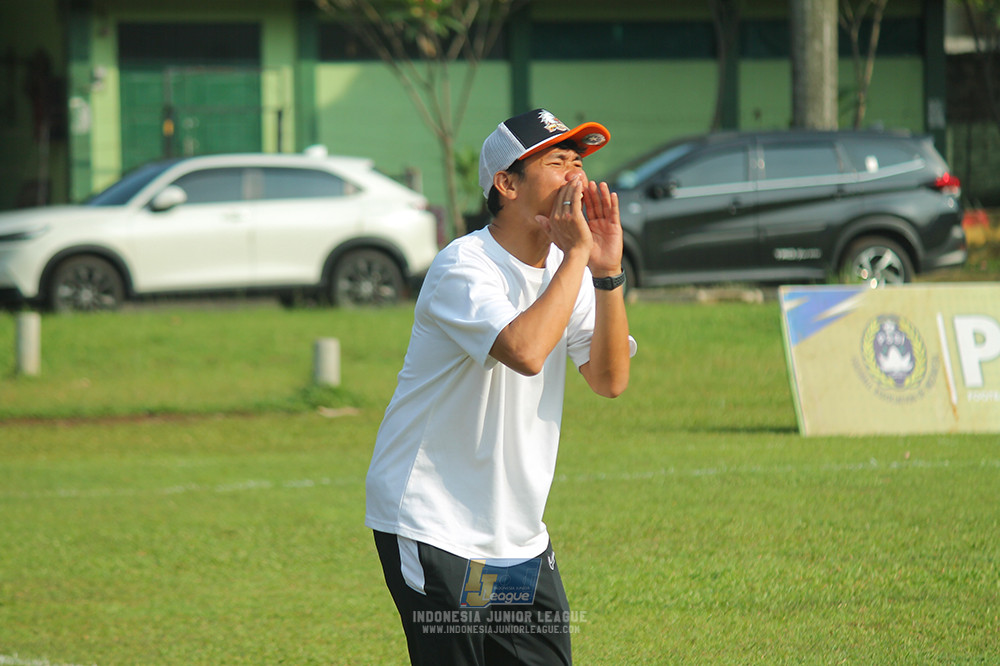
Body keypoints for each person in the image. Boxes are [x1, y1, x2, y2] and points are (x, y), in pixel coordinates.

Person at [365, 108, 636, 665]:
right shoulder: (464, 266)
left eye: (578, 162)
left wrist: (605, 273)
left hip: (515, 537)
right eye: (557, 162)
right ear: (506, 185)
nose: (576, 176)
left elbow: (609, 380)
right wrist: (578, 256)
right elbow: (526, 352)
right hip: (437, 524)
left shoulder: (567, 270)